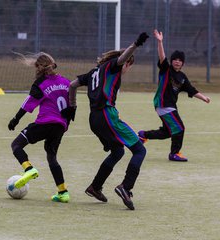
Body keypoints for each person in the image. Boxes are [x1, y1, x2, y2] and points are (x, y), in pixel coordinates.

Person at [68, 32, 149, 210]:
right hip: (107, 115)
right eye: (129, 66)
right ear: (126, 63)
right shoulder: (112, 67)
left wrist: (72, 106)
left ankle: (95, 187)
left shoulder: (92, 72)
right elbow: (121, 59)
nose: (127, 69)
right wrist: (136, 44)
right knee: (139, 150)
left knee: (117, 151)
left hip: (94, 119)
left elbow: (72, 85)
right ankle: (126, 187)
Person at [7, 52, 75, 203]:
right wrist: (65, 125)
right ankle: (63, 192)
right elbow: (72, 105)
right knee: (52, 157)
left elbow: (28, 104)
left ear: (39, 67)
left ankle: (29, 169)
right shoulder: (66, 82)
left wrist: (15, 119)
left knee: (16, 144)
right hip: (60, 126)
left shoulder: (41, 84)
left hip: (45, 123)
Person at [138, 29, 210, 162]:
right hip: (163, 104)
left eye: (180, 60)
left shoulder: (182, 77)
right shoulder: (166, 70)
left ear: (183, 63)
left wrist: (204, 98)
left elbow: (191, 90)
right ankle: (174, 153)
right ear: (171, 61)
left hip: (170, 106)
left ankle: (143, 135)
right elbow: (162, 57)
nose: (177, 62)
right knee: (179, 128)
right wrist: (160, 42)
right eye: (175, 59)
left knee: (167, 132)